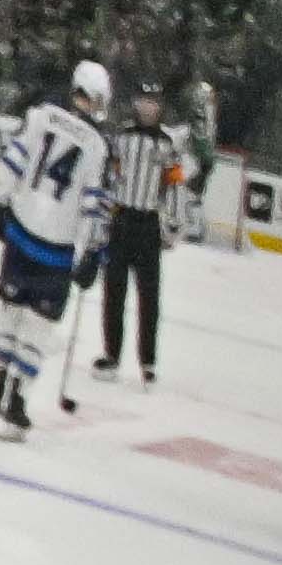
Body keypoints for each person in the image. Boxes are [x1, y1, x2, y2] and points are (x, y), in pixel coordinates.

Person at [0, 55, 118, 437]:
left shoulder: (40, 116)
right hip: (56, 249)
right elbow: (95, 202)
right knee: (38, 327)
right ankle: (18, 399)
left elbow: (13, 162)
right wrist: (93, 251)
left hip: (21, 233)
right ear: (93, 97)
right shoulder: (96, 144)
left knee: (9, 313)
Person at [90, 80, 176, 382]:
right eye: (143, 101)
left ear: (160, 107)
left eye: (153, 102)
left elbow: (174, 186)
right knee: (114, 291)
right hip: (122, 219)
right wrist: (102, 216)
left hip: (148, 225)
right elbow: (109, 177)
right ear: (135, 104)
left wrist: (173, 225)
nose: (148, 108)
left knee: (148, 296)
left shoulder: (167, 145)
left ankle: (148, 360)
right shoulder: (121, 138)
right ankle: (112, 354)